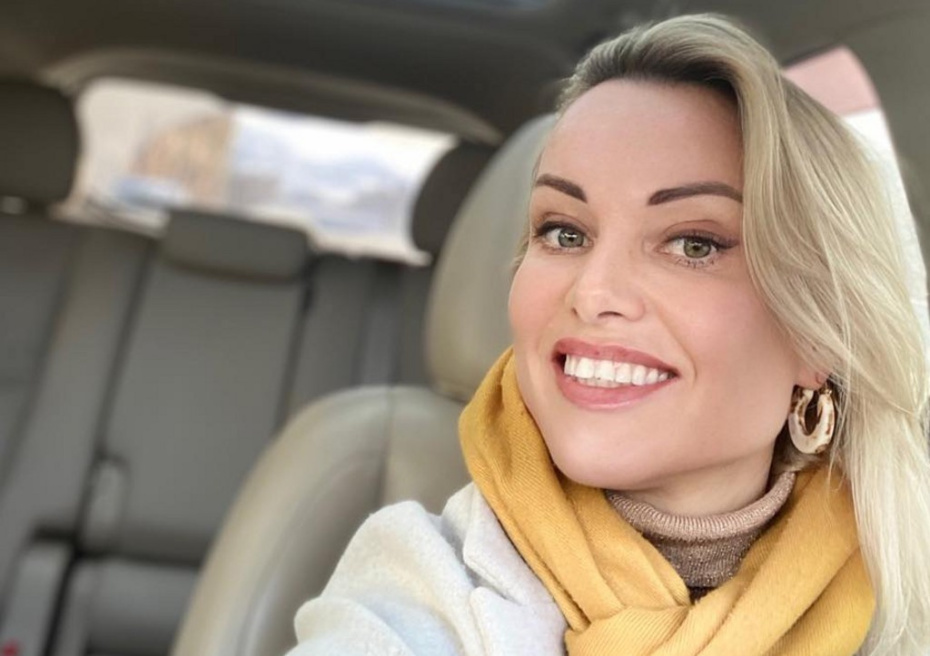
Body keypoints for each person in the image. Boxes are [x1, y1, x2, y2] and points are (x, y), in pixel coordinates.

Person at [286, 13, 930, 655]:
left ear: (817, 339)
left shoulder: (901, 592)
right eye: (565, 233)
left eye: (693, 244)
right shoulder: (418, 594)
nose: (592, 292)